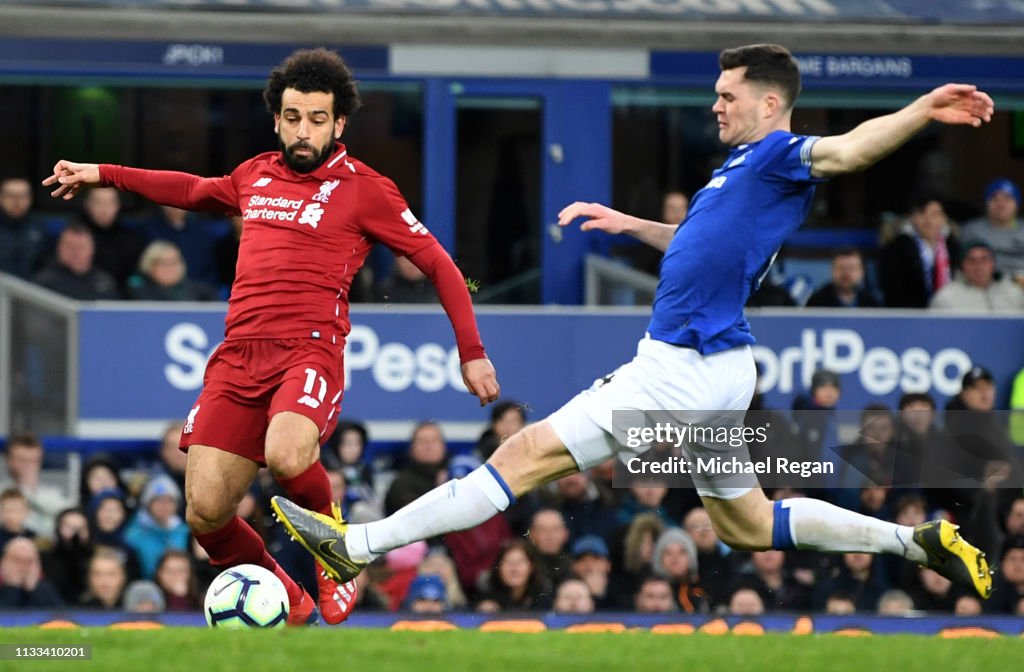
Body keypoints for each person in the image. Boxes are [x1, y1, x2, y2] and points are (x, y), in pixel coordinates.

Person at [271, 43, 994, 606]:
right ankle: (915, 539)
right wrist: (627, 223)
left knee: (522, 454)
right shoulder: (741, 168)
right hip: (720, 363)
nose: (714, 106)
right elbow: (697, 245)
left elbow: (849, 149)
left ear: (770, 103)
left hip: (677, 365)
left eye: (726, 95)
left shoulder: (777, 154)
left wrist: (922, 109)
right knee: (747, 523)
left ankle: (358, 544)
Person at [44, 47, 500, 626]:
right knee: (205, 512)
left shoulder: (366, 189)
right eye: (291, 117)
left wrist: (473, 353)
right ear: (277, 118)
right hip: (237, 358)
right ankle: (288, 594)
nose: (302, 130)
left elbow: (437, 263)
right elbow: (191, 190)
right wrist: (101, 173)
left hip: (310, 349)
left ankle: (335, 558)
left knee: (288, 454)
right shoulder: (255, 173)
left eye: (316, 119)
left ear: (339, 124)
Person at [879, 194, 960, 308]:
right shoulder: (898, 247)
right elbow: (893, 290)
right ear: (913, 218)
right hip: (910, 315)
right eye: (922, 214)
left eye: (935, 215)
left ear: (944, 218)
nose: (929, 221)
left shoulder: (952, 245)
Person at [31, 223, 121, 300]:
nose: (76, 252)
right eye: (70, 246)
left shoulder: (105, 282)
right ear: (59, 248)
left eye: (81, 247)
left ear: (92, 249)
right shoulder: (44, 283)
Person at [929, 239, 1024, 311]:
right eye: (972, 260)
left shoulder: (1013, 293)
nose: (979, 266)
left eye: (984, 259)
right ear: (963, 266)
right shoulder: (946, 297)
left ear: (993, 264)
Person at [962, 178, 1024, 285]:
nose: (1001, 204)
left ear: (1017, 204)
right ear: (986, 203)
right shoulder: (972, 230)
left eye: (1007, 199)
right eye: (995, 199)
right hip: (982, 286)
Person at [804, 247, 881, 308]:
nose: (846, 273)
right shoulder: (816, 302)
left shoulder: (872, 304)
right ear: (832, 270)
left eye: (851, 268)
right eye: (841, 268)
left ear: (862, 272)